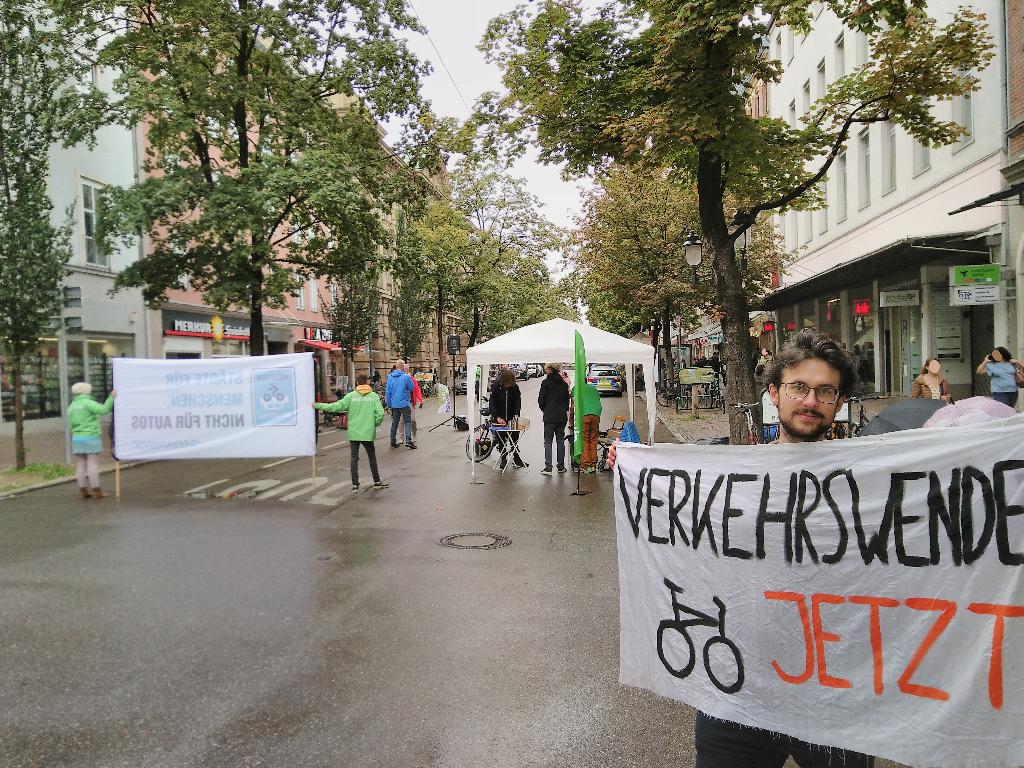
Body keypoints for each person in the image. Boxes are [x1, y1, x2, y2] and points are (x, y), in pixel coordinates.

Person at [607, 330, 874, 768]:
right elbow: (680, 522)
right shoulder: (733, 481)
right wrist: (636, 470)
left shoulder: (868, 481)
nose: (810, 401)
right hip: (735, 687)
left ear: (839, 402)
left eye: (825, 391)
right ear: (774, 393)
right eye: (798, 388)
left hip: (834, 692)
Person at [313, 374, 388, 492]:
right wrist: (374, 424)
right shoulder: (373, 396)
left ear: (357, 383)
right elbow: (380, 413)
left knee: (354, 458)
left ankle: (355, 485)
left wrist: (317, 405)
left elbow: (336, 407)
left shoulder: (351, 396)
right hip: (367, 432)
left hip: (354, 432)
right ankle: (377, 480)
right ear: (367, 383)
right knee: (371, 456)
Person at [67, 382, 116, 499]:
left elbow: (70, 423)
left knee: (81, 463)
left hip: (77, 438)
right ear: (86, 391)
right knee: (92, 463)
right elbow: (104, 409)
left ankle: (82, 489)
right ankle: (96, 490)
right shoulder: (88, 403)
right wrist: (111, 397)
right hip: (91, 436)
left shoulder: (72, 406)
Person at [489, 368, 526, 469]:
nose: (510, 385)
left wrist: (515, 415)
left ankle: (517, 458)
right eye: (508, 383)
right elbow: (492, 403)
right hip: (500, 418)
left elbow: (517, 403)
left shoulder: (515, 388)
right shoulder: (496, 387)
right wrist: (497, 417)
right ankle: (503, 458)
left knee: (514, 438)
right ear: (503, 381)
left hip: (512, 417)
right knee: (502, 439)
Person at [537, 363, 570, 475]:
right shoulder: (564, 384)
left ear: (550, 369)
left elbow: (541, 400)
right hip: (561, 416)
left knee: (548, 441)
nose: (546, 371)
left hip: (549, 416)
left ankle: (548, 468)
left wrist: (545, 409)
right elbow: (567, 400)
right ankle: (561, 467)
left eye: (546, 369)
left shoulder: (545, 383)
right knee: (560, 441)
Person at [385, 359, 416, 449]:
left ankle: (392, 441)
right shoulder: (405, 377)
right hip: (404, 403)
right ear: (403, 367)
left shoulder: (390, 377)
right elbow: (412, 388)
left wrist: (389, 404)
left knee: (395, 422)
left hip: (394, 404)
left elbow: (388, 392)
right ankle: (409, 440)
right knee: (407, 421)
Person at [575, 378, 602, 473]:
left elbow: (573, 404)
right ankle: (593, 464)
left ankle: (586, 465)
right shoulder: (593, 388)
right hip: (596, 414)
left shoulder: (576, 388)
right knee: (593, 439)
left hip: (585, 415)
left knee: (585, 440)